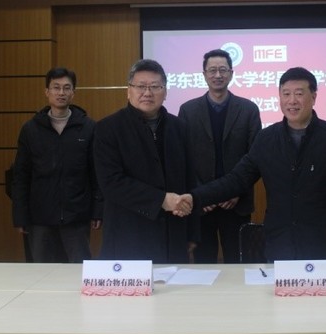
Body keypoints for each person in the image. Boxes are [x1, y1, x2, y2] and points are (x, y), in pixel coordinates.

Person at [191, 67, 326, 261]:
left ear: (314, 97)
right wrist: (194, 197)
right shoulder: (266, 139)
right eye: (286, 94)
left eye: (299, 94)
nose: (292, 101)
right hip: (280, 244)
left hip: (323, 243)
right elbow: (237, 180)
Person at [94, 59, 194, 263]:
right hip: (128, 236)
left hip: (173, 235)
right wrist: (161, 200)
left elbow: (190, 181)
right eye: (141, 86)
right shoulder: (108, 128)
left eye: (155, 87)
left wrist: (192, 233)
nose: (147, 93)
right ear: (128, 90)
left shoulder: (180, 128)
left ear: (165, 92)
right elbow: (111, 183)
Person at [178, 49, 262, 263]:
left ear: (231, 73)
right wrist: (200, 195)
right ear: (204, 74)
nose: (218, 75)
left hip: (235, 203)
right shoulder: (187, 110)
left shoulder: (249, 109)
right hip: (201, 206)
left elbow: (255, 156)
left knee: (239, 263)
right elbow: (182, 157)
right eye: (212, 70)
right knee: (203, 264)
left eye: (223, 70)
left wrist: (236, 191)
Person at [11, 67, 102, 263]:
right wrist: (20, 215)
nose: (61, 92)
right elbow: (21, 176)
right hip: (40, 217)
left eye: (67, 88)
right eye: (56, 87)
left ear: (73, 93)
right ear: (47, 91)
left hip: (76, 216)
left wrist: (97, 211)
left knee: (78, 271)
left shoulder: (88, 127)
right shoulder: (31, 129)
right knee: (42, 273)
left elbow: (96, 174)